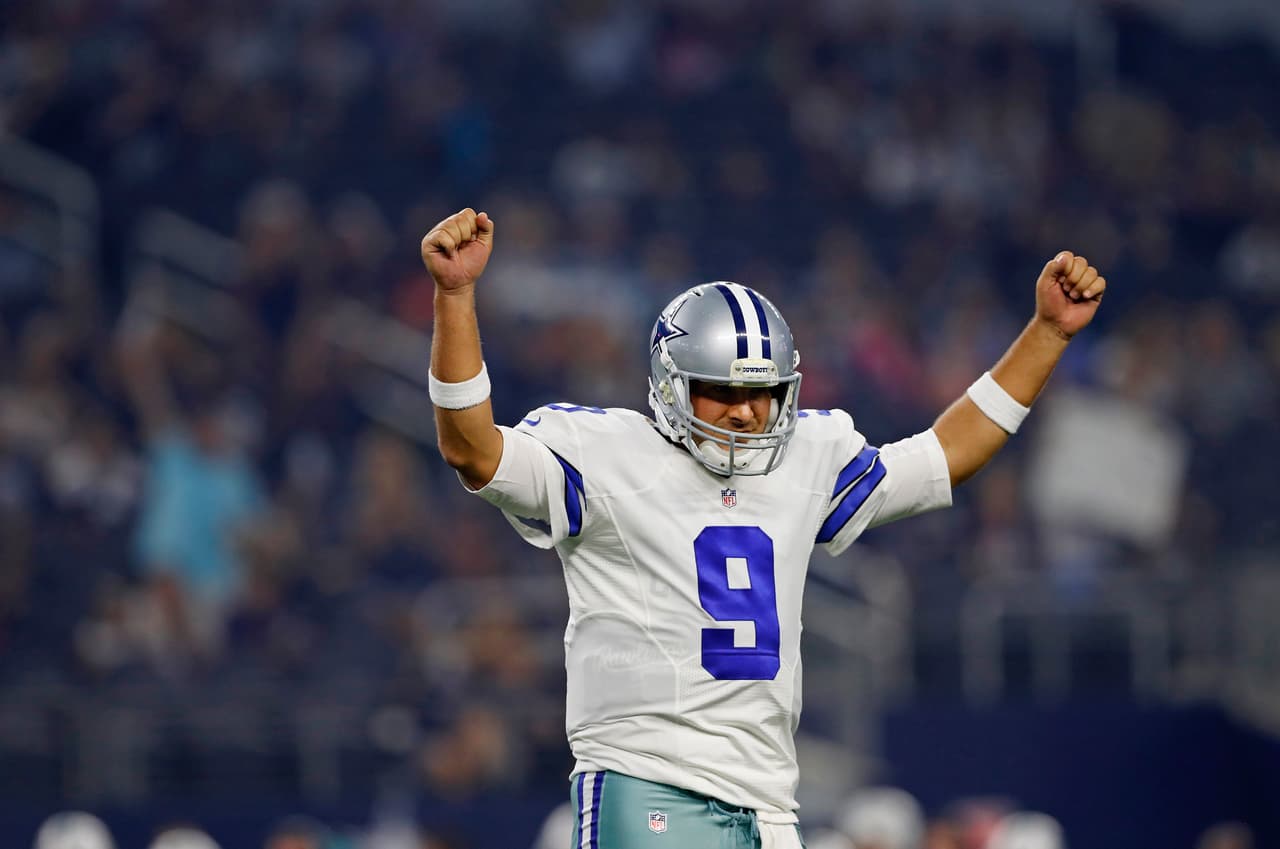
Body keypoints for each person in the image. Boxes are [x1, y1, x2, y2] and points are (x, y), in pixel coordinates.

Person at [423, 208, 1107, 849]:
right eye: (723, 391)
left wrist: (1045, 334)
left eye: (763, 392)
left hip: (768, 803)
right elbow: (474, 450)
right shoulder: (604, 452)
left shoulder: (808, 455)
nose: (748, 413)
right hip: (648, 780)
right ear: (670, 386)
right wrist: (455, 299)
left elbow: (942, 457)